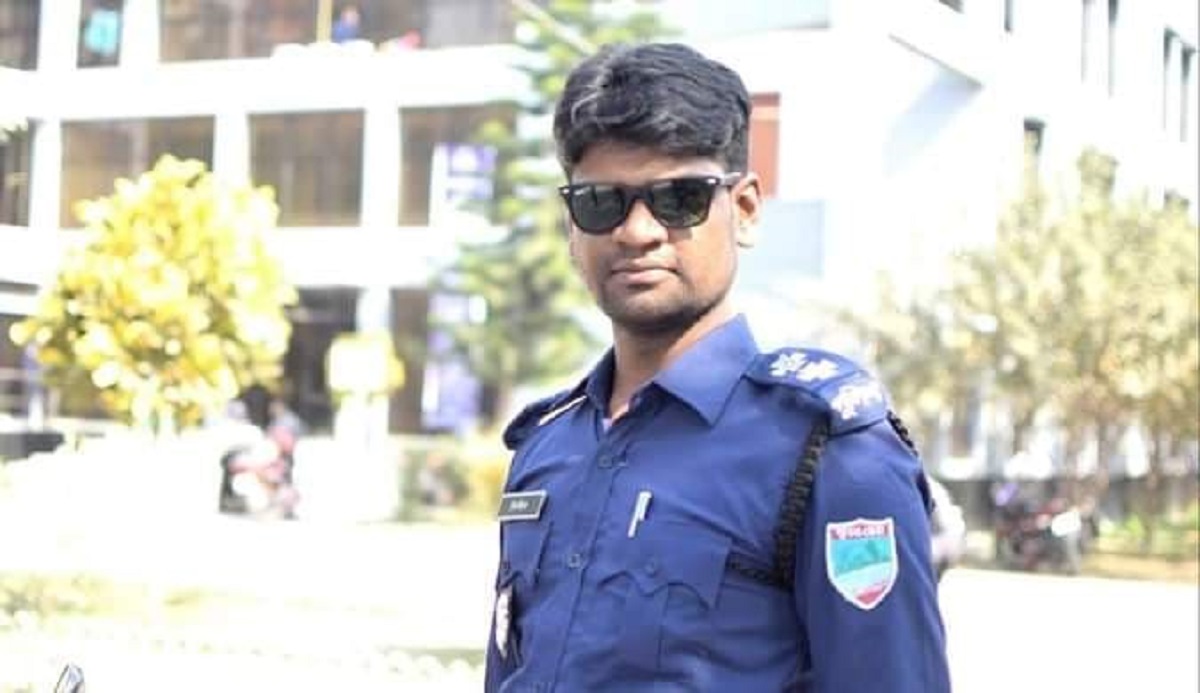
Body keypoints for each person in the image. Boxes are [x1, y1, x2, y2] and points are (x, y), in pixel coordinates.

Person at [484, 42, 951, 692]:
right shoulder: (547, 445)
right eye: (601, 201)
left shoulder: (827, 452)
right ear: (572, 225)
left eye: (679, 198)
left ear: (746, 210)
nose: (637, 232)